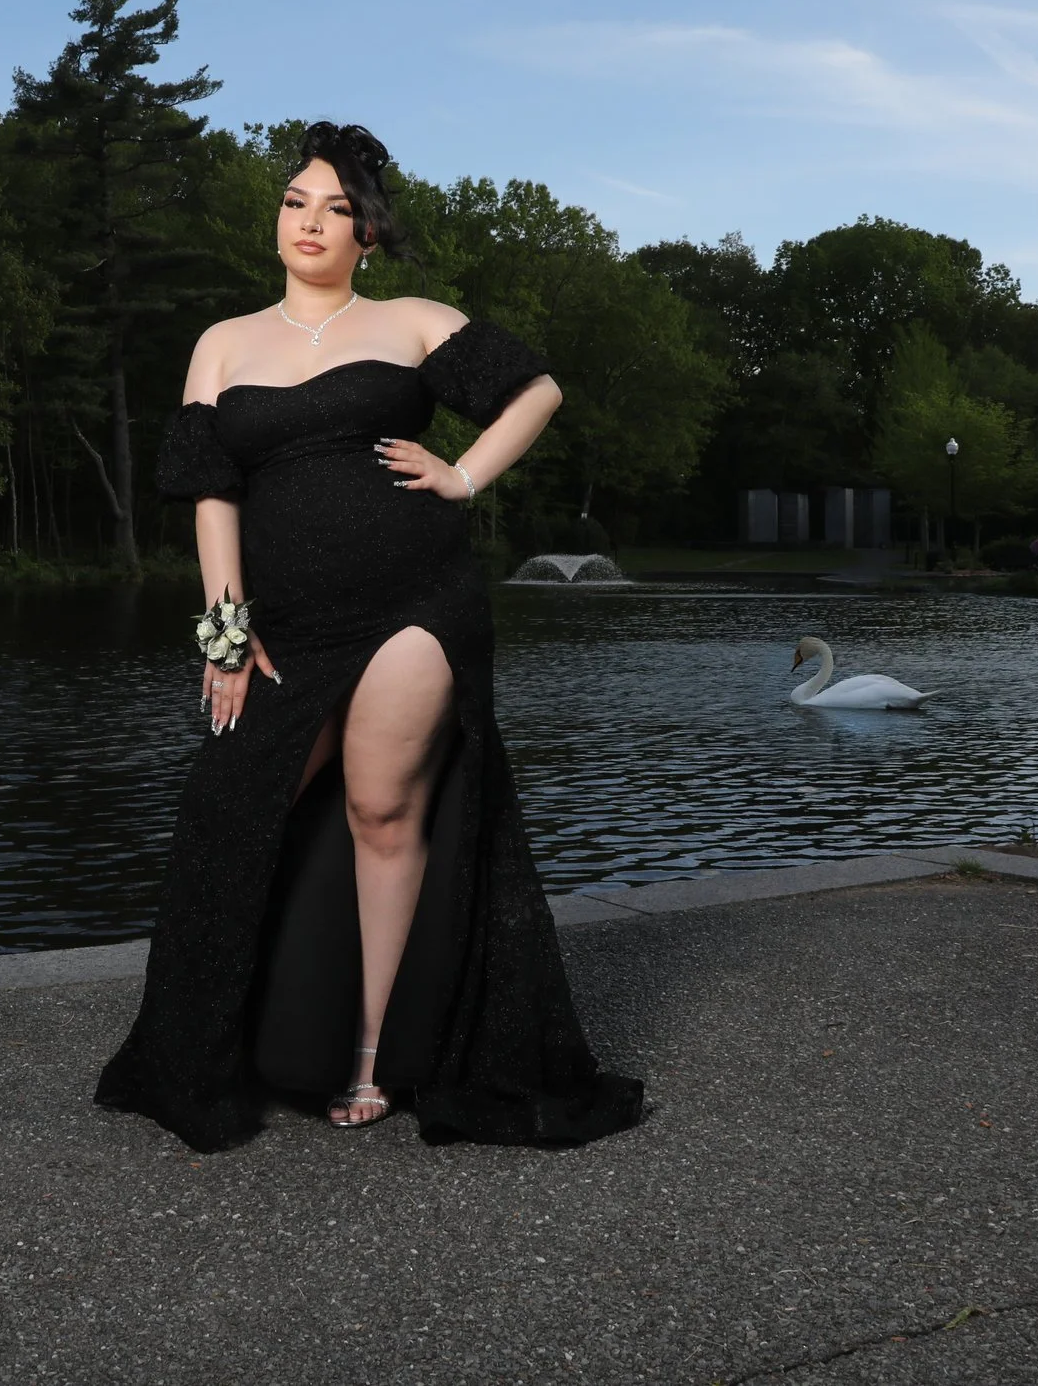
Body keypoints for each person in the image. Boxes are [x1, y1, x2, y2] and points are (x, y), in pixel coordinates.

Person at [94, 123, 644, 1150]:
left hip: (414, 599)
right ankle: (205, 1047)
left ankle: (368, 1051)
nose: (309, 221)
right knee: (228, 805)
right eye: (296, 201)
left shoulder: (409, 322)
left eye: (336, 208)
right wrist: (224, 629)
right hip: (286, 622)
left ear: (369, 236)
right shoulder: (222, 342)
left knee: (381, 805)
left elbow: (538, 389)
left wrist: (463, 473)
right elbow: (210, 491)